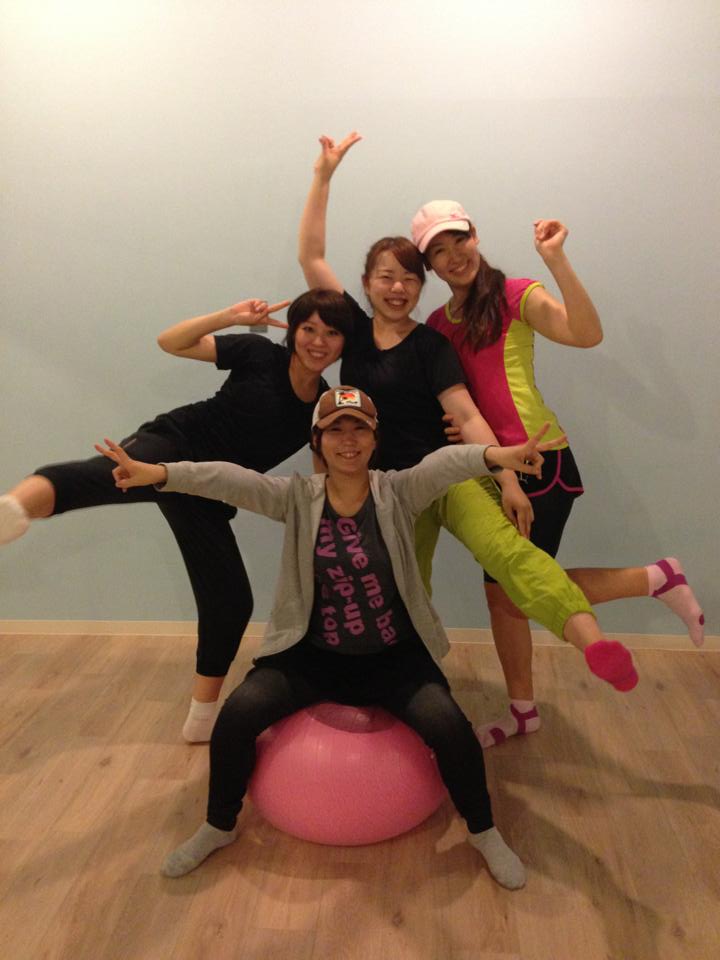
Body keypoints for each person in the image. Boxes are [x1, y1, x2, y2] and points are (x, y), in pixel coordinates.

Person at [95, 385, 610, 889]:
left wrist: (500, 458)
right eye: (335, 429)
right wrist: (159, 474)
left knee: (451, 728)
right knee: (236, 717)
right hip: (311, 658)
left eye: (358, 429)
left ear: (374, 439)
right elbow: (228, 480)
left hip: (393, 658)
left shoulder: (398, 492)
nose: (347, 440)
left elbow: (446, 464)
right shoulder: (297, 497)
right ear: (317, 441)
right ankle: (219, 824)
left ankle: (484, 831)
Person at [296, 132, 702, 714]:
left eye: (411, 275)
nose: (399, 286)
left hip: (478, 468)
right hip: (396, 488)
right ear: (367, 283)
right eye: (389, 275)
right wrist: (324, 174)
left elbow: (471, 408)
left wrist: (504, 478)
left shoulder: (465, 322)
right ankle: (428, 689)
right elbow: (312, 258)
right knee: (410, 585)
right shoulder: (400, 326)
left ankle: (592, 644)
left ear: (466, 245)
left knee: (512, 566)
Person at [410, 199, 705, 745]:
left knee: (519, 588)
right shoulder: (435, 326)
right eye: (439, 252)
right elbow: (455, 399)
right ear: (429, 265)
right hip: (488, 465)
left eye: (459, 240)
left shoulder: (514, 295)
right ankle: (524, 709)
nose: (454, 256)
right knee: (507, 592)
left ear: (475, 236)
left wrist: (556, 260)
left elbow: (586, 334)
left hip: (538, 461)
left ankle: (654, 578)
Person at [0, 290, 352, 741]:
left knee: (231, 602)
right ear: (294, 331)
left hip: (208, 490)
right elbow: (171, 341)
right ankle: (12, 509)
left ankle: (201, 721)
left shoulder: (322, 405)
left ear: (344, 342)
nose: (318, 341)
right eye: (309, 329)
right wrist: (229, 316)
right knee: (104, 475)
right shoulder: (259, 353)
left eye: (331, 333)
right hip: (175, 443)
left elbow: (325, 473)